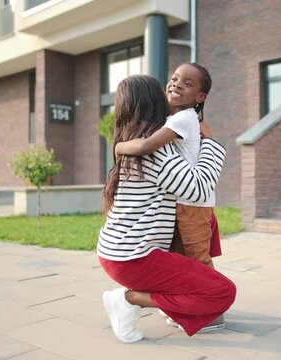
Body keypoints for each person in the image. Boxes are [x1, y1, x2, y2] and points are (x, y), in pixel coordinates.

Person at [98, 75, 236, 344]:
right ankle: (128, 300)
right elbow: (198, 188)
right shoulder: (155, 151)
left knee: (206, 288)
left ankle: (166, 306)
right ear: (153, 101)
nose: (169, 92)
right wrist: (211, 142)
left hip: (118, 253)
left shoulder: (131, 145)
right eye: (162, 90)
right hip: (135, 259)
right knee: (222, 292)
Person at [115, 62, 219, 269]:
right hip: (187, 201)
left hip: (192, 204)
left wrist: (119, 147)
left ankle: (211, 292)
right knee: (184, 259)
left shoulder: (182, 118)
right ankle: (196, 295)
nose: (177, 84)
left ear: (200, 97)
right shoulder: (177, 118)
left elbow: (146, 145)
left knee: (198, 261)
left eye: (187, 83)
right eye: (174, 79)